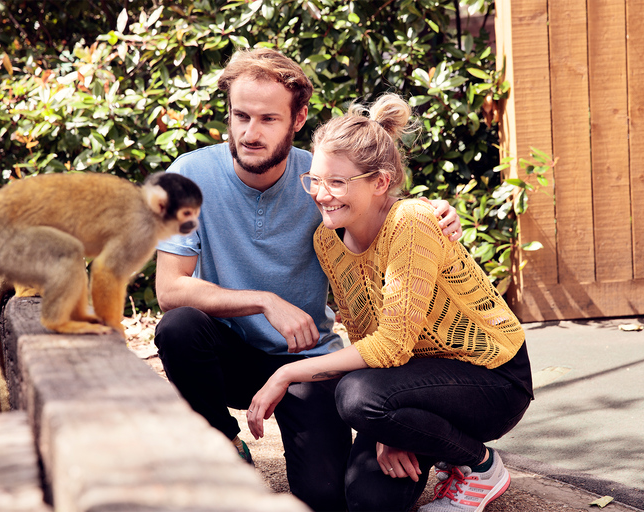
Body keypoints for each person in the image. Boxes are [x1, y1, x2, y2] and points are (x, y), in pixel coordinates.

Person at [153, 48, 462, 511]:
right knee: (178, 328)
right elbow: (169, 290)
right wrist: (263, 301)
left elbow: (384, 216)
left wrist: (436, 215)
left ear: (297, 120)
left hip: (307, 361)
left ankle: (449, 448)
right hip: (227, 356)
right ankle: (222, 440)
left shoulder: (319, 179)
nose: (249, 133)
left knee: (325, 497)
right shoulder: (189, 174)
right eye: (240, 116)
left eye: (267, 119)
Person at [246, 93, 534, 512]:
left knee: (355, 395)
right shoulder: (328, 240)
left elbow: (391, 346)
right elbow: (369, 334)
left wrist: (287, 373)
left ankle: (480, 464)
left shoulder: (412, 222)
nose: (322, 194)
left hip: (493, 377)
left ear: (380, 182)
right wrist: (386, 429)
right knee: (368, 500)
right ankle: (429, 442)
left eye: (337, 182)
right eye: (315, 180)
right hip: (413, 382)